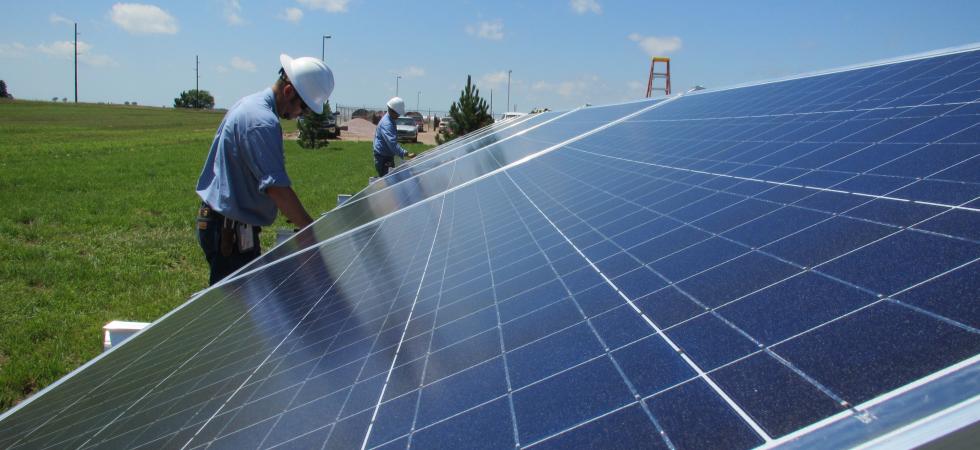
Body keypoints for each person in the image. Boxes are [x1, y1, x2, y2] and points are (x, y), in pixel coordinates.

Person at [195, 53, 334, 285]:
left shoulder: (250, 106)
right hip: (229, 230)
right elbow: (276, 188)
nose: (302, 115)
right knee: (235, 310)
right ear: (289, 91)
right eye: (305, 108)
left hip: (230, 225)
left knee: (244, 302)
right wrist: (310, 231)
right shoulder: (261, 121)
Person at [372, 97, 416, 177]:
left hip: (386, 155)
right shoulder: (387, 124)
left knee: (390, 178)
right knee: (388, 180)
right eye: (398, 113)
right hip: (383, 157)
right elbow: (392, 144)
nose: (399, 116)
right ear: (393, 111)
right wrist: (406, 153)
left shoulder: (390, 119)